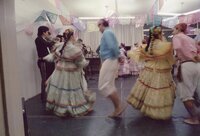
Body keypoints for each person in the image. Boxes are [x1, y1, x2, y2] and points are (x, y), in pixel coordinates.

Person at [127, 26, 176, 120]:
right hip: (161, 70)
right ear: (160, 34)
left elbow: (142, 54)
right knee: (158, 90)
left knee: (147, 88)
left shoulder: (149, 45)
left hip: (149, 69)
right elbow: (170, 60)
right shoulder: (165, 45)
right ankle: (156, 111)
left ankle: (146, 108)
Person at [45, 29, 95, 117]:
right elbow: (80, 62)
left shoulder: (60, 46)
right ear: (71, 36)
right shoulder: (74, 49)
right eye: (74, 35)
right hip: (72, 71)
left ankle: (60, 106)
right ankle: (72, 106)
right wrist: (86, 63)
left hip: (60, 71)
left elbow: (53, 56)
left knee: (61, 89)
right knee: (72, 89)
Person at [172, 23, 200, 125]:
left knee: (186, 95)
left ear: (178, 29)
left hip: (186, 65)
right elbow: (197, 49)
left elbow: (177, 48)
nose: (172, 30)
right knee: (196, 92)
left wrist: (177, 57)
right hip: (197, 65)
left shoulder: (177, 37)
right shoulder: (191, 39)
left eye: (174, 28)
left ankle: (194, 118)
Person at [97, 19, 125, 118]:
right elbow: (112, 47)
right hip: (110, 59)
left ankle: (119, 106)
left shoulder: (107, 32)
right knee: (108, 85)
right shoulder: (108, 32)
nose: (98, 28)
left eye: (98, 25)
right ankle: (118, 107)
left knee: (104, 85)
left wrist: (118, 56)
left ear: (102, 24)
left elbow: (113, 47)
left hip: (110, 59)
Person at [35, 26, 55, 102]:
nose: (48, 33)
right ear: (43, 32)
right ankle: (43, 97)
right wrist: (54, 41)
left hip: (48, 62)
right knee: (44, 79)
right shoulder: (38, 39)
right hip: (43, 62)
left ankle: (48, 95)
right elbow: (48, 44)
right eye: (47, 32)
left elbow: (49, 46)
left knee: (49, 78)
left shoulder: (43, 39)